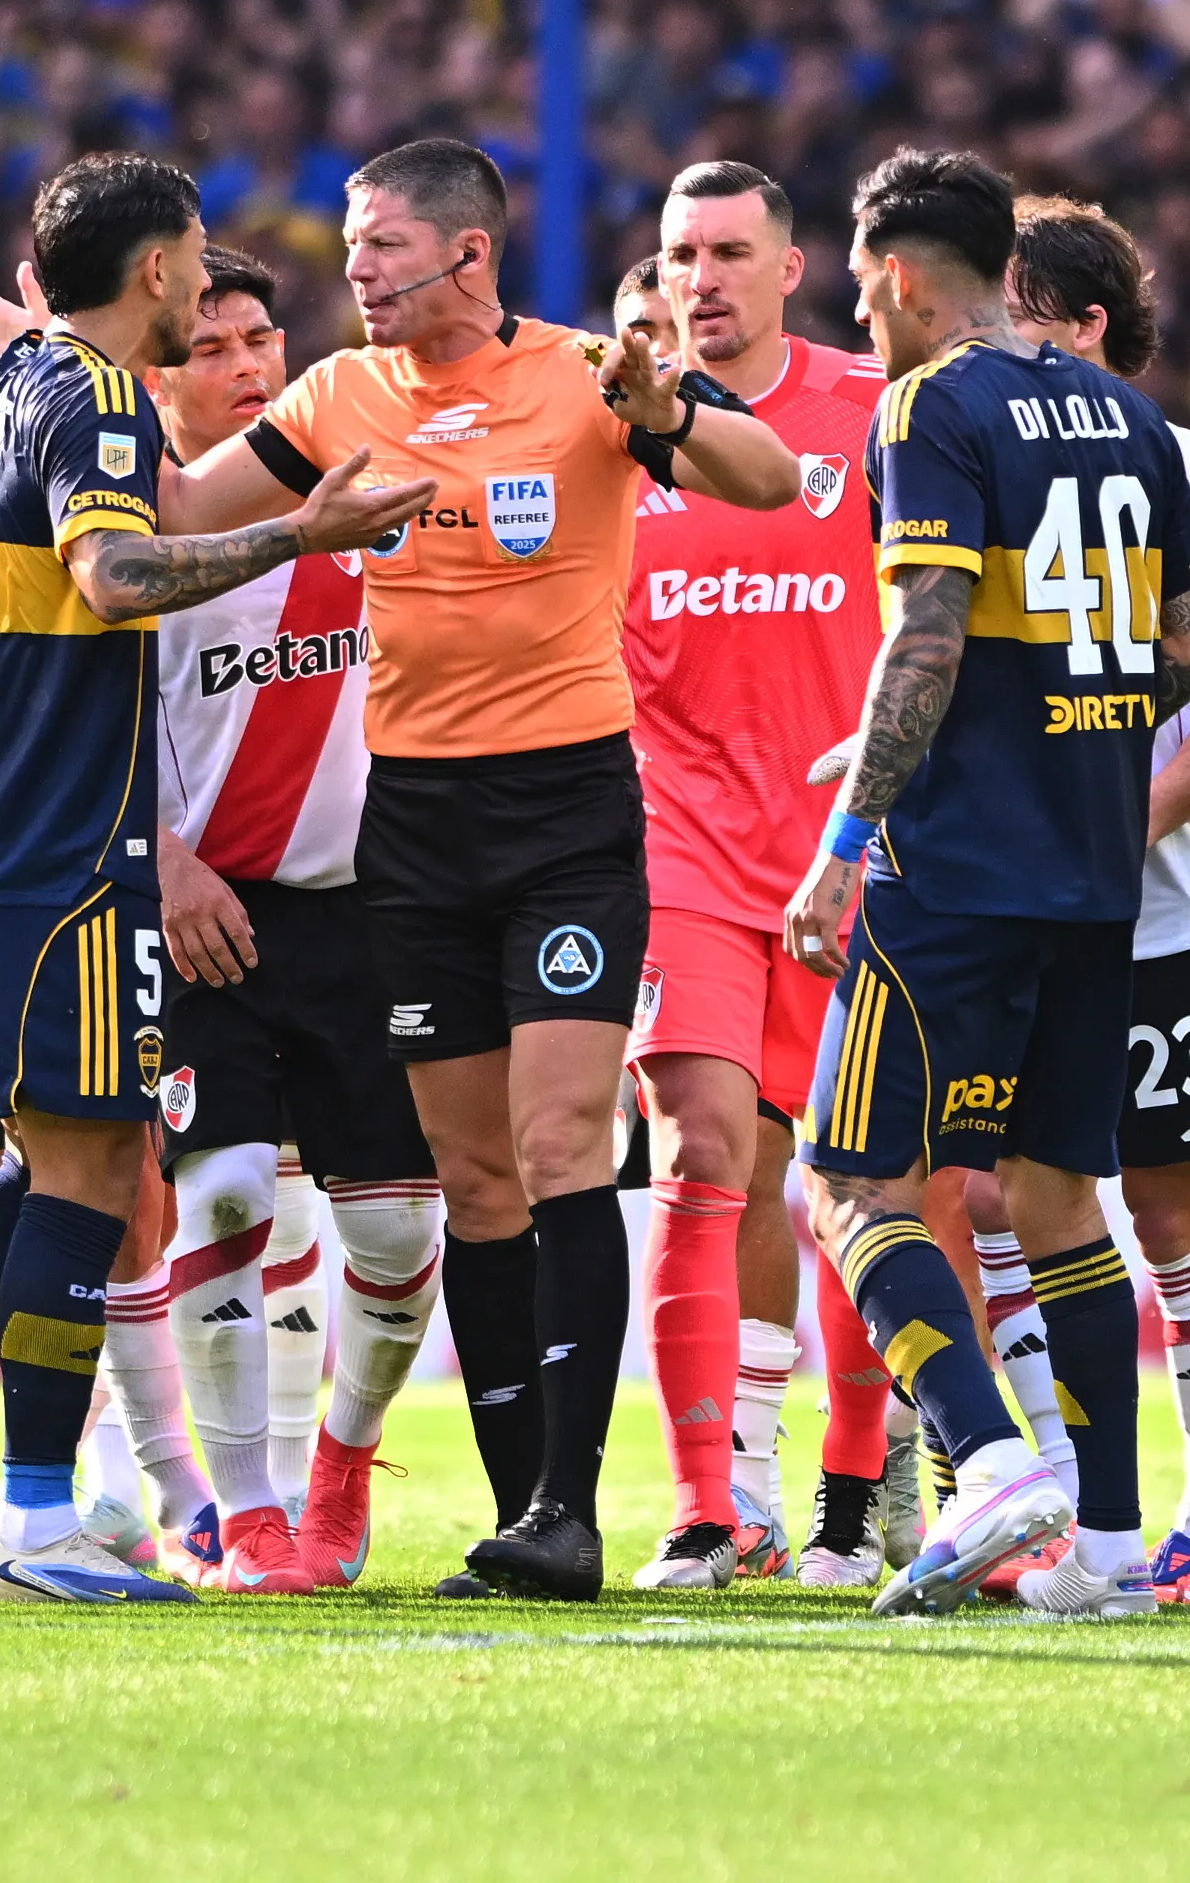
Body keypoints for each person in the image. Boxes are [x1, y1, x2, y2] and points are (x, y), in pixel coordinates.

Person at [168, 137, 801, 1599]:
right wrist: (54, 379)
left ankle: (572, 1508)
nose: (356, 269)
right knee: (472, 1176)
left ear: (468, 252)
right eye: (351, 243)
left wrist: (670, 411)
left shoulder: (586, 374)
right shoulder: (340, 394)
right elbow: (185, 512)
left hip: (565, 818)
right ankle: (525, 1514)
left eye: (381, 244)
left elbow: (770, 479)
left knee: (564, 1143)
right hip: (412, 825)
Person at [0, 151, 428, 1605]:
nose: (206, 283)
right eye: (198, 258)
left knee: (43, 1165)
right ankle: (35, 1521)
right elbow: (116, 577)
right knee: (92, 1174)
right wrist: (301, 533)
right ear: (155, 269)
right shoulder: (95, 397)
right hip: (71, 843)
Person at [776, 149, 1190, 1620]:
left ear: (904, 276)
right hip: (1096, 870)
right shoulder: (1132, 417)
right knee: (1056, 1198)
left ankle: (985, 1460)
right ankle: (1111, 1548)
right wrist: (1067, 728)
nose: (861, 318)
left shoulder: (927, 408)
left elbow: (928, 633)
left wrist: (845, 843)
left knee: (849, 1181)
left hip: (958, 866)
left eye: (860, 290)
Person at [995, 198, 1190, 1607]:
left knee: (1178, 1216)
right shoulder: (969, 451)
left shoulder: (1189, 471)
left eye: (1009, 314)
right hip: (1006, 910)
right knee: (997, 1198)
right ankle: (1063, 1505)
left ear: (1085, 324)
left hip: (1155, 918)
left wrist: (1122, 829)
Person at [146, 244, 448, 1593]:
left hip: (373, 915)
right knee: (219, 1194)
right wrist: (165, 866)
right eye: (207, 348)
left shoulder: (375, 508)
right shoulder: (137, 547)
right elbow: (83, 739)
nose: (242, 366)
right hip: (206, 918)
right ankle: (247, 1509)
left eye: (258, 340)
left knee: (395, 1237)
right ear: (159, 379)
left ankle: (342, 1463)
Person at [608, 168, 889, 1593]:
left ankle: (852, 1496)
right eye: (680, 255)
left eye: (729, 251)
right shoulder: (611, 427)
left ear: (791, 269)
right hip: (683, 853)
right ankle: (713, 1503)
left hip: (853, 852)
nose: (701, 277)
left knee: (857, 1180)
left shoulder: (876, 412)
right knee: (705, 1148)